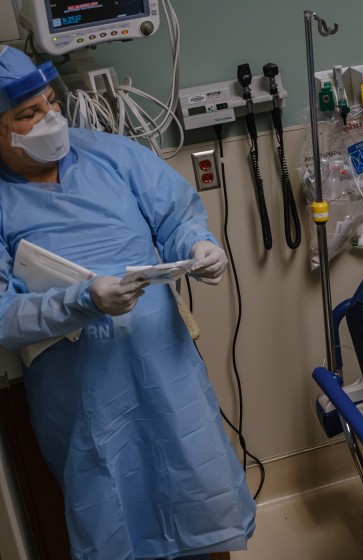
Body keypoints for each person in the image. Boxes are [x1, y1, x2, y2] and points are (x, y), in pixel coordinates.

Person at [0, 45, 255, 559]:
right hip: (84, 393)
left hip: (166, 364)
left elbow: (176, 215)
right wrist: (81, 301)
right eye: (29, 114)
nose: (51, 118)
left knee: (201, 500)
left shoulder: (110, 154)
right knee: (113, 506)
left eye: (52, 102)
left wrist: (196, 245)